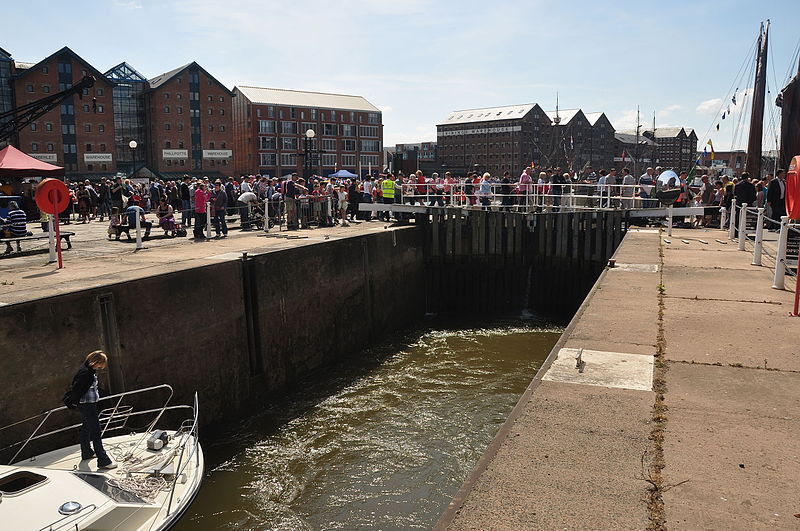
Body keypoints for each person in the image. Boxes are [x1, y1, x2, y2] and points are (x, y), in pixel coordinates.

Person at [63, 350, 116, 469]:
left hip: (88, 404)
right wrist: (75, 402)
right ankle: (103, 461)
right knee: (96, 432)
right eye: (101, 364)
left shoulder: (87, 369)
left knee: (86, 428)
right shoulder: (86, 374)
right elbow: (78, 389)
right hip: (87, 405)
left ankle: (86, 452)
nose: (101, 367)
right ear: (96, 362)